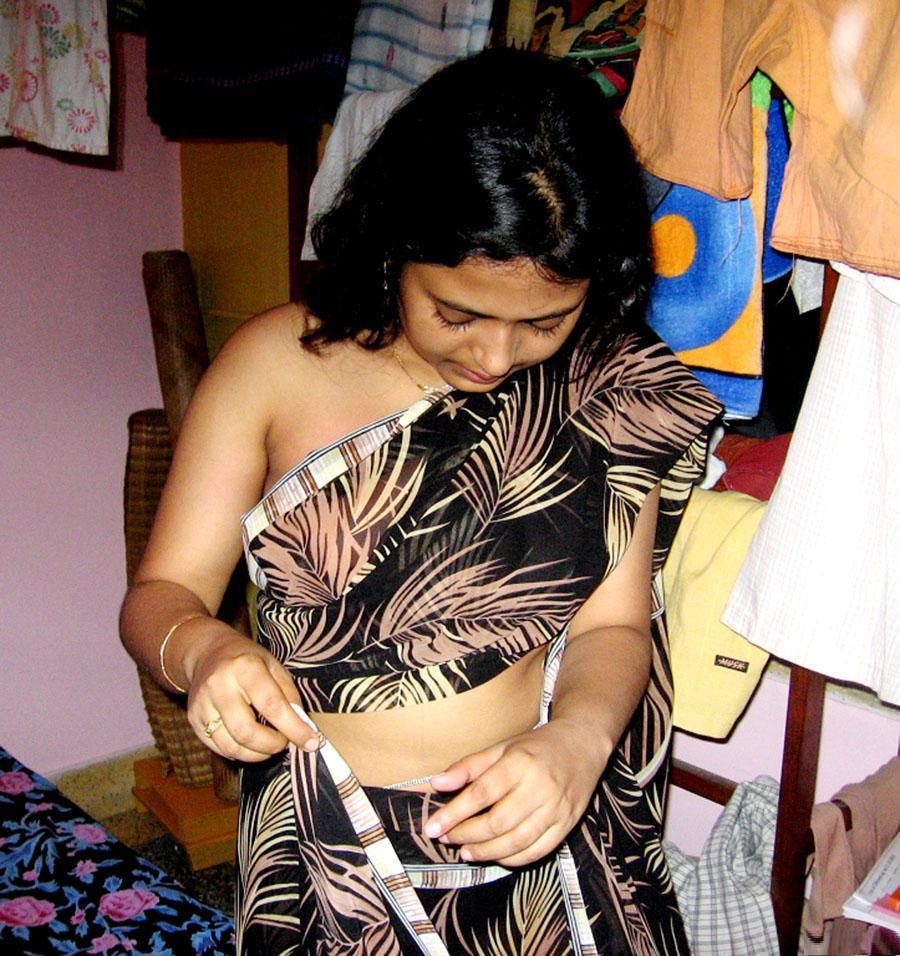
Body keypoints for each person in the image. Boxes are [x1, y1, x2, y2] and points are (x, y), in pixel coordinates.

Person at [120, 48, 721, 955]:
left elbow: (614, 627)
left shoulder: (603, 387)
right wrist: (202, 650)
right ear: (394, 244)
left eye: (544, 322)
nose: (495, 357)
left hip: (540, 843)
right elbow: (159, 596)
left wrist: (578, 741)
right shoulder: (276, 367)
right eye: (457, 312)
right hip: (329, 853)